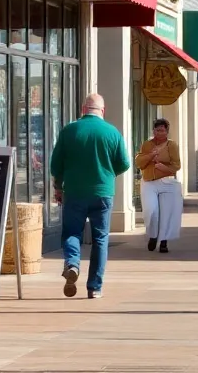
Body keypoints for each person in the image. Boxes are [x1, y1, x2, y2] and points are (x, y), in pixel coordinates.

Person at [50, 93, 130, 299]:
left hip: (75, 191)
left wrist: (58, 186)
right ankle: (94, 287)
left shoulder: (69, 130)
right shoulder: (112, 132)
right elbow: (124, 163)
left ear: (83, 109)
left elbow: (55, 164)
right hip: (103, 193)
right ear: (102, 111)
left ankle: (72, 263)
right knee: (100, 239)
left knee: (71, 232)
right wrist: (107, 173)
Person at [135, 118, 182, 253]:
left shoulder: (171, 145)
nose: (159, 133)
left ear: (167, 131)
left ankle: (163, 241)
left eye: (162, 130)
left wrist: (163, 167)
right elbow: (139, 162)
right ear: (153, 131)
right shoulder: (147, 145)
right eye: (157, 130)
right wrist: (151, 155)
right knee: (151, 211)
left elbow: (176, 166)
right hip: (149, 182)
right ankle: (153, 235)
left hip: (167, 182)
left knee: (166, 213)